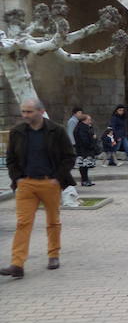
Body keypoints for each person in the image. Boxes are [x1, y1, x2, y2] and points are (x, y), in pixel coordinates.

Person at [1, 98, 76, 278]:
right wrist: (17, 179)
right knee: (23, 223)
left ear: (41, 112)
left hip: (49, 183)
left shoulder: (56, 131)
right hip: (26, 184)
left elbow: (69, 156)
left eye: (29, 112)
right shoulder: (17, 132)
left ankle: (53, 255)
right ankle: (17, 264)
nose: (25, 115)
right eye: (24, 112)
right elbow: (10, 158)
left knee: (52, 221)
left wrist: (57, 178)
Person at [73, 113, 98, 186]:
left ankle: (86, 179)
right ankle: (84, 180)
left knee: (85, 166)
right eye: (89, 119)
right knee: (83, 166)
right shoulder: (82, 128)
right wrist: (93, 139)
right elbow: (84, 139)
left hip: (84, 149)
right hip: (83, 150)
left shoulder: (85, 127)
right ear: (84, 120)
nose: (90, 121)